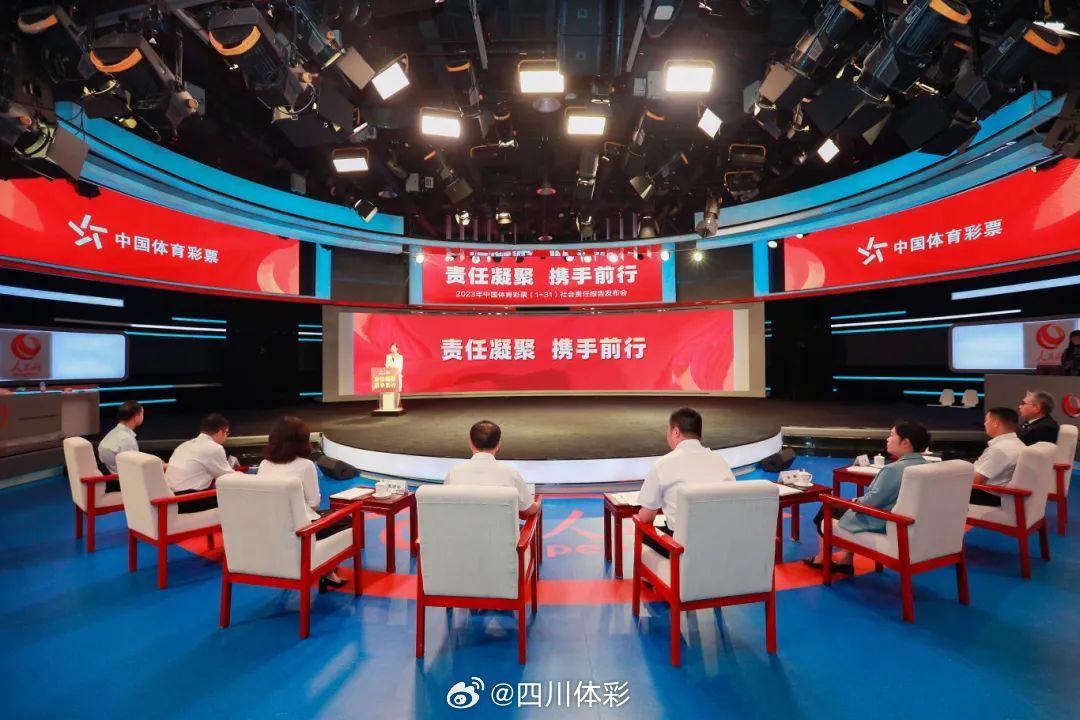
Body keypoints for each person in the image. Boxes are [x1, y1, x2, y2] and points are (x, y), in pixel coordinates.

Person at [804, 421, 931, 574]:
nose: (887, 439)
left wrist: (854, 501)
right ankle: (846, 559)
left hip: (885, 521)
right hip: (911, 523)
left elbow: (871, 502)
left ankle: (822, 559)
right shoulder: (927, 467)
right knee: (845, 506)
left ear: (905, 443)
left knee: (827, 507)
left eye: (891, 435)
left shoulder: (893, 470)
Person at [257, 416, 347, 591]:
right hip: (301, 530)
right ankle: (328, 572)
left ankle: (327, 571)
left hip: (272, 527)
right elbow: (314, 504)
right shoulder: (305, 465)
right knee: (346, 520)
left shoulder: (264, 464)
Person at [633, 408, 736, 559]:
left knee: (645, 533)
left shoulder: (662, 465)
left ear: (675, 432)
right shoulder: (721, 462)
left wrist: (640, 514)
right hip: (721, 544)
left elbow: (646, 517)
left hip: (682, 549)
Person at [444, 420, 540, 516]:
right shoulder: (510, 475)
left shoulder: (453, 474)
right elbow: (529, 509)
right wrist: (539, 503)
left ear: (470, 444)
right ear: (498, 445)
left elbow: (445, 507)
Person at [165, 413, 237, 513]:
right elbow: (228, 477)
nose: (226, 437)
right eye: (227, 433)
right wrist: (245, 475)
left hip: (171, 501)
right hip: (188, 501)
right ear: (221, 432)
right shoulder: (214, 447)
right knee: (237, 497)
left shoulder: (184, 445)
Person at [970, 408, 1026, 507]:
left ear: (996, 423)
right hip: (998, 494)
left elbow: (974, 480)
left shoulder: (999, 450)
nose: (984, 424)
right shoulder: (1018, 444)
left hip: (987, 495)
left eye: (986, 420)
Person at [98, 400, 144, 491]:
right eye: (142, 414)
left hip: (113, 479)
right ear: (136, 418)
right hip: (123, 485)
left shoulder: (112, 433)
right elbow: (135, 469)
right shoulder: (126, 440)